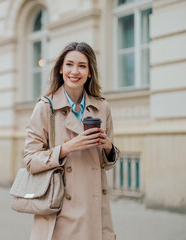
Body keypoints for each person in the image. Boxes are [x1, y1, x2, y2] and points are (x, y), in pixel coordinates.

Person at [23, 42, 120, 240]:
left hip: (95, 208)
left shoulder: (102, 107)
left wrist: (109, 147)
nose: (75, 71)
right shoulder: (45, 108)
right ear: (60, 68)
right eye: (69, 64)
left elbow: (106, 164)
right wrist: (66, 148)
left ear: (90, 72)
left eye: (82, 66)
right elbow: (30, 161)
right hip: (60, 208)